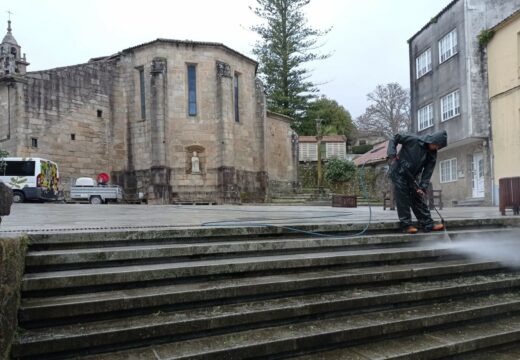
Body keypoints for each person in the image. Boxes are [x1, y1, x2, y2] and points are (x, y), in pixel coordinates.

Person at [386, 130, 447, 234]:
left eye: (439, 147)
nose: (437, 148)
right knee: (403, 196)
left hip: (413, 176)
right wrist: (392, 153)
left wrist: (422, 187)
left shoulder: (432, 153)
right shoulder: (413, 140)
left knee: (417, 197)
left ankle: (428, 224)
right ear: (432, 140)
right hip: (398, 171)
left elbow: (428, 171)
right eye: (436, 145)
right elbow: (394, 138)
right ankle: (406, 225)